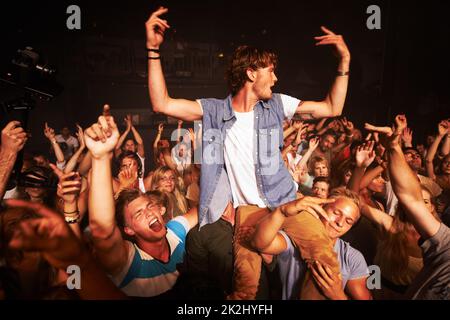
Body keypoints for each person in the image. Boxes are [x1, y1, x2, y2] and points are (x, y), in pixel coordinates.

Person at [146, 6, 351, 299]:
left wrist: (344, 61)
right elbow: (162, 104)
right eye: (271, 71)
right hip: (249, 213)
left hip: (287, 201)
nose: (276, 78)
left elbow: (333, 108)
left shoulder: (278, 104)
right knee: (246, 289)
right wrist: (153, 50)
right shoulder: (214, 111)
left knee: (325, 264)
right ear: (251, 72)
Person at [84, 105, 198, 298]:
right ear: (128, 230)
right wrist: (100, 156)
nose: (149, 213)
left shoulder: (174, 231)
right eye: (138, 213)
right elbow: (102, 232)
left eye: (149, 206)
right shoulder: (127, 262)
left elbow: (204, 206)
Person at [366, 114, 450, 300]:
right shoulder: (444, 244)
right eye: (410, 155)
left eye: (426, 201)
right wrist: (372, 292)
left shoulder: (433, 236)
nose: (415, 157)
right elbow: (373, 267)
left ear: (433, 209)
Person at [250, 189, 371, 300]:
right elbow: (259, 243)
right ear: (322, 207)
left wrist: (338, 296)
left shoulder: (352, 257)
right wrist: (282, 212)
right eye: (336, 213)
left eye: (348, 221)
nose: (340, 223)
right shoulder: (296, 237)